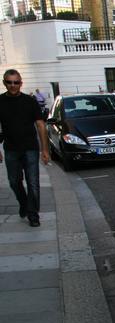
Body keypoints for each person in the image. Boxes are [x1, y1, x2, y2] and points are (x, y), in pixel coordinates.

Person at [0, 69, 50, 227]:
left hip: (30, 148)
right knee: (14, 182)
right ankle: (23, 203)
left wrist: (45, 150)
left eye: (16, 82)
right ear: (4, 83)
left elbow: (40, 125)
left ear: (21, 83)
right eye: (9, 82)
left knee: (33, 182)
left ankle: (33, 214)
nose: (13, 85)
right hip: (11, 148)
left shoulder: (30, 101)